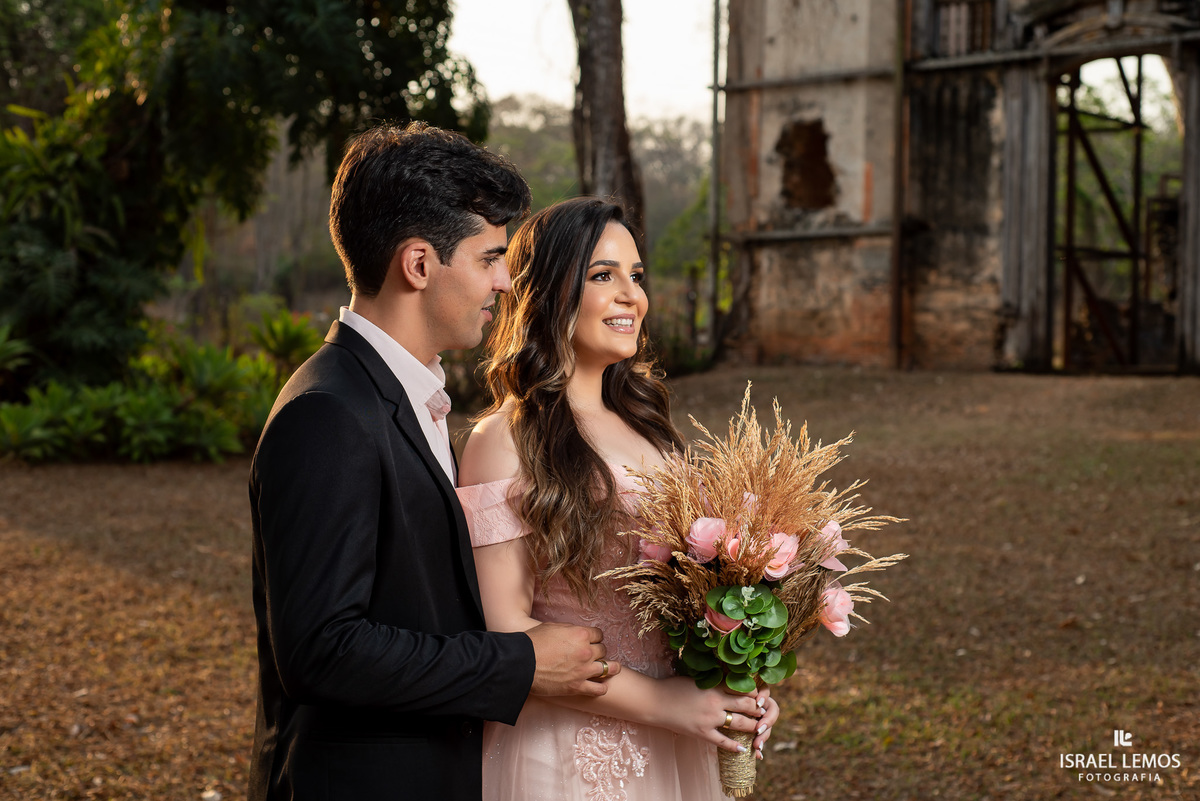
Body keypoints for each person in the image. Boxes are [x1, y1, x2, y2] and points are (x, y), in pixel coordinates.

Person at [247, 124, 619, 801]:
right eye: (488, 259)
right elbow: (321, 649)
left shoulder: (400, 394)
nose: (505, 282)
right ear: (418, 264)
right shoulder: (327, 413)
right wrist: (521, 661)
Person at [456, 197, 780, 800]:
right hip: (568, 751)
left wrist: (735, 682)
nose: (632, 294)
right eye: (603, 275)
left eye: (637, 275)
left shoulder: (649, 426)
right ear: (549, 292)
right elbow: (505, 630)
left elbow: (686, 599)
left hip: (676, 739)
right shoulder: (503, 439)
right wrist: (665, 704)